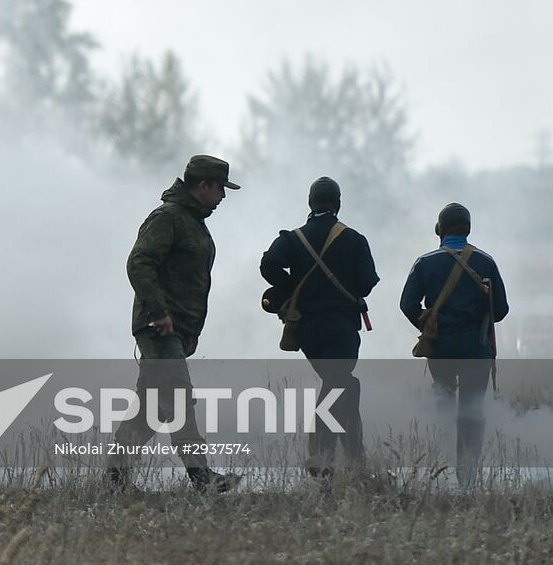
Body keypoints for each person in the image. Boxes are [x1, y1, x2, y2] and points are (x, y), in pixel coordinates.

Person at [110, 155, 239, 493]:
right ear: (203, 186)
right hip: (158, 328)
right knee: (180, 397)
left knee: (150, 409)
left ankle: (114, 478)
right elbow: (139, 262)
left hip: (174, 330)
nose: (223, 197)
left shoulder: (192, 221)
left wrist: (189, 331)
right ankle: (201, 478)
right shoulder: (168, 218)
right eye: (220, 189)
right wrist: (158, 312)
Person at [259, 176, 379, 476]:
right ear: (337, 204)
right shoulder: (354, 239)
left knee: (344, 385)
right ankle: (321, 455)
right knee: (339, 384)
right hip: (341, 327)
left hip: (307, 331)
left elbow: (268, 264)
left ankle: (355, 460)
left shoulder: (293, 238)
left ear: (310, 203)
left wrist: (290, 288)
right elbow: (366, 283)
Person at [400, 202, 509, 489]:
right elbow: (501, 311)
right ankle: (467, 478)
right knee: (472, 412)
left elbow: (407, 304)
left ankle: (442, 469)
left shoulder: (425, 263)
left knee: (445, 406)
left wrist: (428, 326)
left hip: (441, 349)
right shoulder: (486, 262)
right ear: (468, 229)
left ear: (440, 229)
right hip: (476, 349)